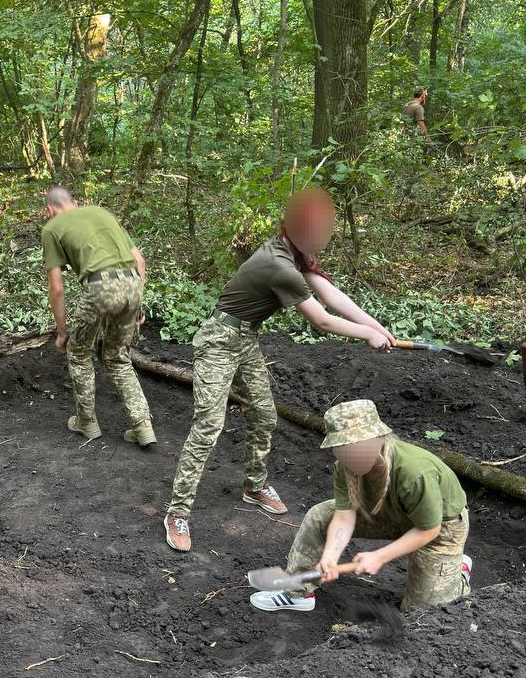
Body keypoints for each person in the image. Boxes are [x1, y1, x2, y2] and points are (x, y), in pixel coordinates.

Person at [164, 187, 394, 552]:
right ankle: (177, 512)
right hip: (218, 340)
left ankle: (254, 486)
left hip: (245, 339)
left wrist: (378, 328)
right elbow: (322, 320)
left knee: (264, 416)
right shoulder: (279, 265)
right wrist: (366, 335)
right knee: (208, 426)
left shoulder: (294, 253)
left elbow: (332, 296)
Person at [249, 399, 472, 613]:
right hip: (386, 511)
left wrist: (380, 556)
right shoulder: (344, 467)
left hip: (439, 528)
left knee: (423, 612)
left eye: (359, 444)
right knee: (320, 515)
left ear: (380, 437)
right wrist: (330, 556)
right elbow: (344, 516)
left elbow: (429, 529)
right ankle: (297, 593)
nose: (352, 454)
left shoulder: (414, 471)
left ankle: (456, 574)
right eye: (343, 447)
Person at [41, 186, 155, 447]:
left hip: (100, 287)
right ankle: (143, 425)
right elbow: (139, 261)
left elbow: (56, 288)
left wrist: (62, 332)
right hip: (132, 284)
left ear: (49, 210)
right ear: (76, 204)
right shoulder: (102, 213)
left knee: (79, 352)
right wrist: (136, 305)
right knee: (117, 357)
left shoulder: (52, 228)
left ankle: (87, 422)